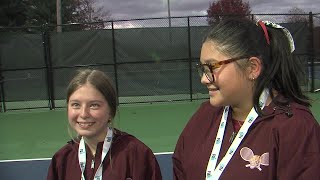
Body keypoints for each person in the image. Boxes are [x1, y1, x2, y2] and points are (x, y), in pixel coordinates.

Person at [172, 18, 320, 180]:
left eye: (212, 67)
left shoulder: (295, 127)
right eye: (202, 69)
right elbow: (180, 168)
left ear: (252, 68)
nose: (204, 79)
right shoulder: (205, 115)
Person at [47, 69, 162, 180]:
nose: (83, 114)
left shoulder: (137, 155)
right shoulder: (62, 160)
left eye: (94, 105)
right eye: (76, 104)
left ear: (111, 111)